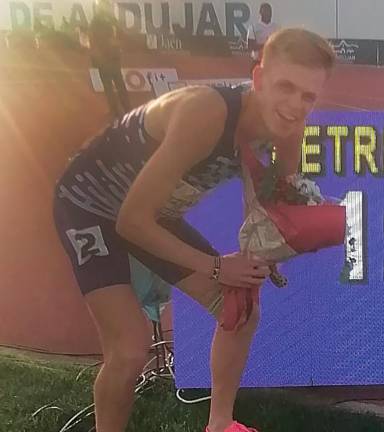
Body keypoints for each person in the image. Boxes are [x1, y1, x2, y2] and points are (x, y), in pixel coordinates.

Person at [52, 28, 336, 432]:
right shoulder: (208, 113)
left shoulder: (290, 128)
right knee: (130, 350)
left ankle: (219, 424)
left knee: (242, 309)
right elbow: (130, 221)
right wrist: (218, 267)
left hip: (154, 211)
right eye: (285, 87)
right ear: (257, 80)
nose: (295, 106)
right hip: (90, 205)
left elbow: (273, 209)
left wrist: (267, 254)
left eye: (308, 96)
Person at [89, 0, 131, 118]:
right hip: (105, 58)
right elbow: (92, 39)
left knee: (117, 84)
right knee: (110, 86)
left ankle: (125, 109)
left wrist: (116, 48)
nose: (101, 7)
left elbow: (118, 36)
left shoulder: (106, 20)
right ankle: (117, 110)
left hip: (110, 58)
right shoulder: (99, 20)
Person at [249, 3, 279, 74]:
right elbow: (250, 46)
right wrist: (267, 44)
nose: (268, 14)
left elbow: (280, 45)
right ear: (260, 12)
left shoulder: (276, 27)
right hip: (258, 61)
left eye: (269, 11)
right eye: (265, 11)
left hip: (272, 62)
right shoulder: (253, 27)